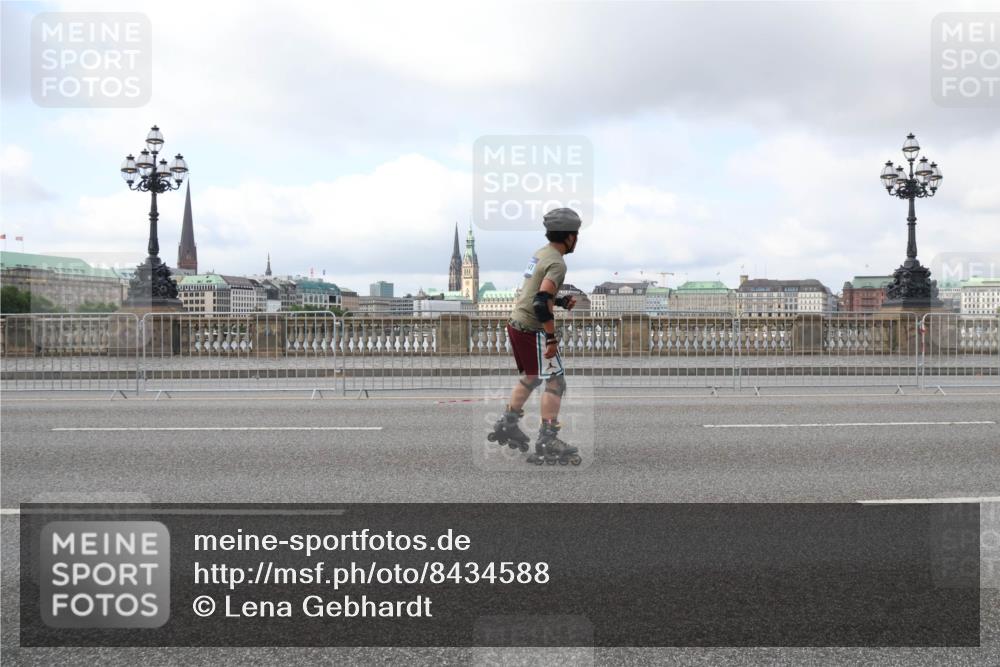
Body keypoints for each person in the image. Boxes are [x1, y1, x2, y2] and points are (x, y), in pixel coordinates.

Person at [488, 207, 582, 466]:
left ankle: (507, 424)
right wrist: (551, 338)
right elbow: (540, 302)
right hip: (532, 328)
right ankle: (547, 439)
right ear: (569, 237)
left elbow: (534, 292)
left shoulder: (540, 253)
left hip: (516, 323)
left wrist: (559, 301)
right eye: (576, 234)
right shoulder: (557, 263)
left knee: (531, 376)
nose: (577, 239)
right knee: (556, 382)